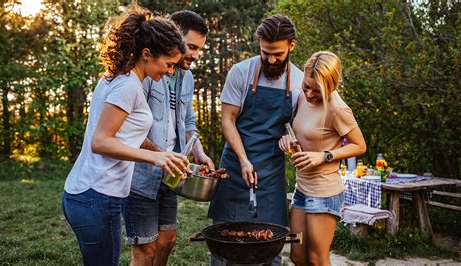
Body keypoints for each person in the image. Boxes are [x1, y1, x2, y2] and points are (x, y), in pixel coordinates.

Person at [61, 4, 189, 266]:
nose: (170, 71)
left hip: (87, 194)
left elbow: (124, 133)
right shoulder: (128, 86)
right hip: (97, 196)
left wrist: (161, 153)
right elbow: (101, 141)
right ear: (146, 54)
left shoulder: (117, 78)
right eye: (168, 64)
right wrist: (155, 160)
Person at [208, 15, 303, 266]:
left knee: (270, 244)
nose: (271, 59)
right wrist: (243, 160)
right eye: (265, 53)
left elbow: (298, 128)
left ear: (291, 46)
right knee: (223, 243)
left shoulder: (301, 83)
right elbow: (228, 120)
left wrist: (289, 139)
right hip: (235, 168)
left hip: (271, 174)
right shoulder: (240, 72)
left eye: (278, 54)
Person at [122, 10, 213, 266]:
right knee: (145, 250)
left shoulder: (188, 77)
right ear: (174, 39)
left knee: (168, 240)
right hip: (140, 176)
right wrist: (159, 157)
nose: (195, 55)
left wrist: (199, 152)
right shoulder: (148, 74)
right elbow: (129, 129)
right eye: (191, 47)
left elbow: (188, 123)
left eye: (200, 49)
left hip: (171, 174)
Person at [278, 51, 366, 265]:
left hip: (324, 191)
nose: (309, 94)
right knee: (297, 256)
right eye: (306, 86)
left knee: (317, 259)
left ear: (331, 85)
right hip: (302, 189)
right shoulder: (301, 96)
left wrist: (324, 156)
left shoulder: (338, 109)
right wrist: (287, 139)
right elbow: (300, 130)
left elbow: (359, 145)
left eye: (316, 90)